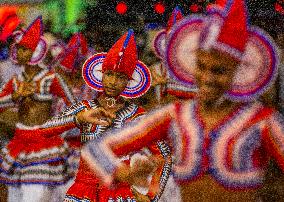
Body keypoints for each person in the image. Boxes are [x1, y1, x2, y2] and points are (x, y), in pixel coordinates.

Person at [80, 0, 284, 201]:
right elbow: (96, 148)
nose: (207, 78)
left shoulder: (262, 121)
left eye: (219, 71)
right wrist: (122, 173)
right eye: (202, 66)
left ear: (238, 71)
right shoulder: (175, 115)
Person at [42, 30, 172, 202]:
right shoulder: (86, 108)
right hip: (83, 192)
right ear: (101, 74)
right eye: (109, 74)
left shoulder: (138, 116)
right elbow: (45, 131)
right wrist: (78, 118)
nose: (112, 82)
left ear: (129, 81)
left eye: (120, 77)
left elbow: (164, 155)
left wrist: (151, 196)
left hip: (121, 194)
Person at [0, 16, 75, 202]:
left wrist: (59, 128)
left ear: (36, 51)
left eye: (24, 49)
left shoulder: (51, 78)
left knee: (34, 196)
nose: (18, 52)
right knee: (14, 197)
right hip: (18, 143)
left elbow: (74, 105)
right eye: (18, 48)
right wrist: (15, 97)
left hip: (43, 145)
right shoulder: (15, 81)